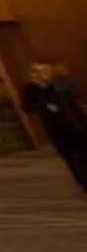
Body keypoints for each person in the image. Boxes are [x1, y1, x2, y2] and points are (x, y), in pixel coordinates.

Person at [21, 63, 87, 194]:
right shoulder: (29, 89)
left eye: (46, 71)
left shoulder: (57, 85)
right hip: (57, 128)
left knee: (84, 154)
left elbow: (74, 103)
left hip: (76, 125)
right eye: (40, 72)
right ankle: (83, 182)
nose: (44, 74)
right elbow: (27, 108)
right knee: (70, 157)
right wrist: (44, 106)